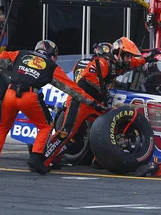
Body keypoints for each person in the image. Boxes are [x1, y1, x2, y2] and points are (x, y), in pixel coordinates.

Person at [0, 40, 105, 175]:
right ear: (53, 54)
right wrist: (93, 103)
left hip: (10, 94)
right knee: (46, 126)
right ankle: (35, 159)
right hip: (29, 95)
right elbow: (72, 89)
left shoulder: (21, 54)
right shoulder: (52, 66)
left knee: (3, 128)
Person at [44, 38, 145, 169]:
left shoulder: (119, 65)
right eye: (127, 56)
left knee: (108, 127)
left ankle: (99, 159)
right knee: (67, 132)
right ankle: (43, 157)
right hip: (81, 100)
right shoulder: (103, 62)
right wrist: (101, 89)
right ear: (117, 53)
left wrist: (147, 59)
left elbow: (135, 63)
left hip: (95, 104)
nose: (128, 59)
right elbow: (88, 76)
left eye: (129, 56)